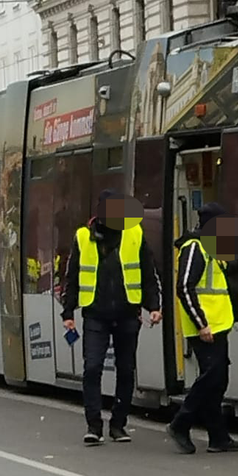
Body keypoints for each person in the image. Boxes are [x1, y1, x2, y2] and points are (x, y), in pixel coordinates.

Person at [62, 191, 162, 446]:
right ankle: (94, 425)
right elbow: (72, 276)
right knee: (92, 368)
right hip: (95, 314)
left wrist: (154, 306)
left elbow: (148, 273)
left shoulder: (135, 233)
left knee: (126, 370)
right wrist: (68, 312)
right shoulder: (83, 237)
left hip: (128, 313)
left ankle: (118, 424)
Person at [167, 203, 238, 455]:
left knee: (217, 380)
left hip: (217, 325)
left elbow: (225, 270)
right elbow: (184, 287)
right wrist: (201, 323)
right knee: (211, 377)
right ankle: (180, 423)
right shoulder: (194, 248)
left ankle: (217, 437)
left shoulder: (209, 248)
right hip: (206, 327)